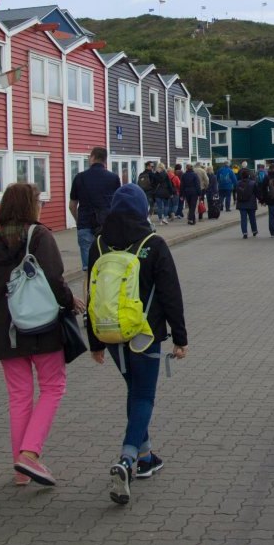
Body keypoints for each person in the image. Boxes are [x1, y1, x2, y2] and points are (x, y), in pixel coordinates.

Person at [0, 183, 80, 487]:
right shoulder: (40, 235)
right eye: (38, 202)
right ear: (29, 206)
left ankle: (21, 471)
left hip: (3, 330)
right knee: (53, 386)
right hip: (40, 326)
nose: (42, 207)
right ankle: (30, 455)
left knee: (19, 396)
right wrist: (70, 302)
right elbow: (55, 279)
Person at [87, 184, 187, 506]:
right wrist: (181, 337)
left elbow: (92, 294)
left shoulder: (99, 244)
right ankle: (127, 460)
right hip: (146, 334)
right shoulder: (153, 243)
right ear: (144, 209)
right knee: (144, 395)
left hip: (111, 335)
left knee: (135, 393)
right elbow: (171, 293)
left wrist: (94, 342)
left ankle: (145, 457)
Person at [69, 147, 120, 276]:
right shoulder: (113, 178)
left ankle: (88, 295)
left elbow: (72, 205)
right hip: (106, 226)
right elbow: (117, 204)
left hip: (85, 224)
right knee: (108, 267)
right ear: (105, 160)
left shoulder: (79, 178)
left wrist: (78, 220)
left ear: (92, 157)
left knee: (89, 271)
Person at [235, 167, 260, 239]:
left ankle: (245, 233)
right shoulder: (253, 183)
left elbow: (236, 192)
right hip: (251, 203)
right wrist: (261, 200)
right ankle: (254, 231)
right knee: (252, 218)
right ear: (249, 176)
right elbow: (257, 193)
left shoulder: (238, 183)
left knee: (243, 219)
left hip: (241, 203)